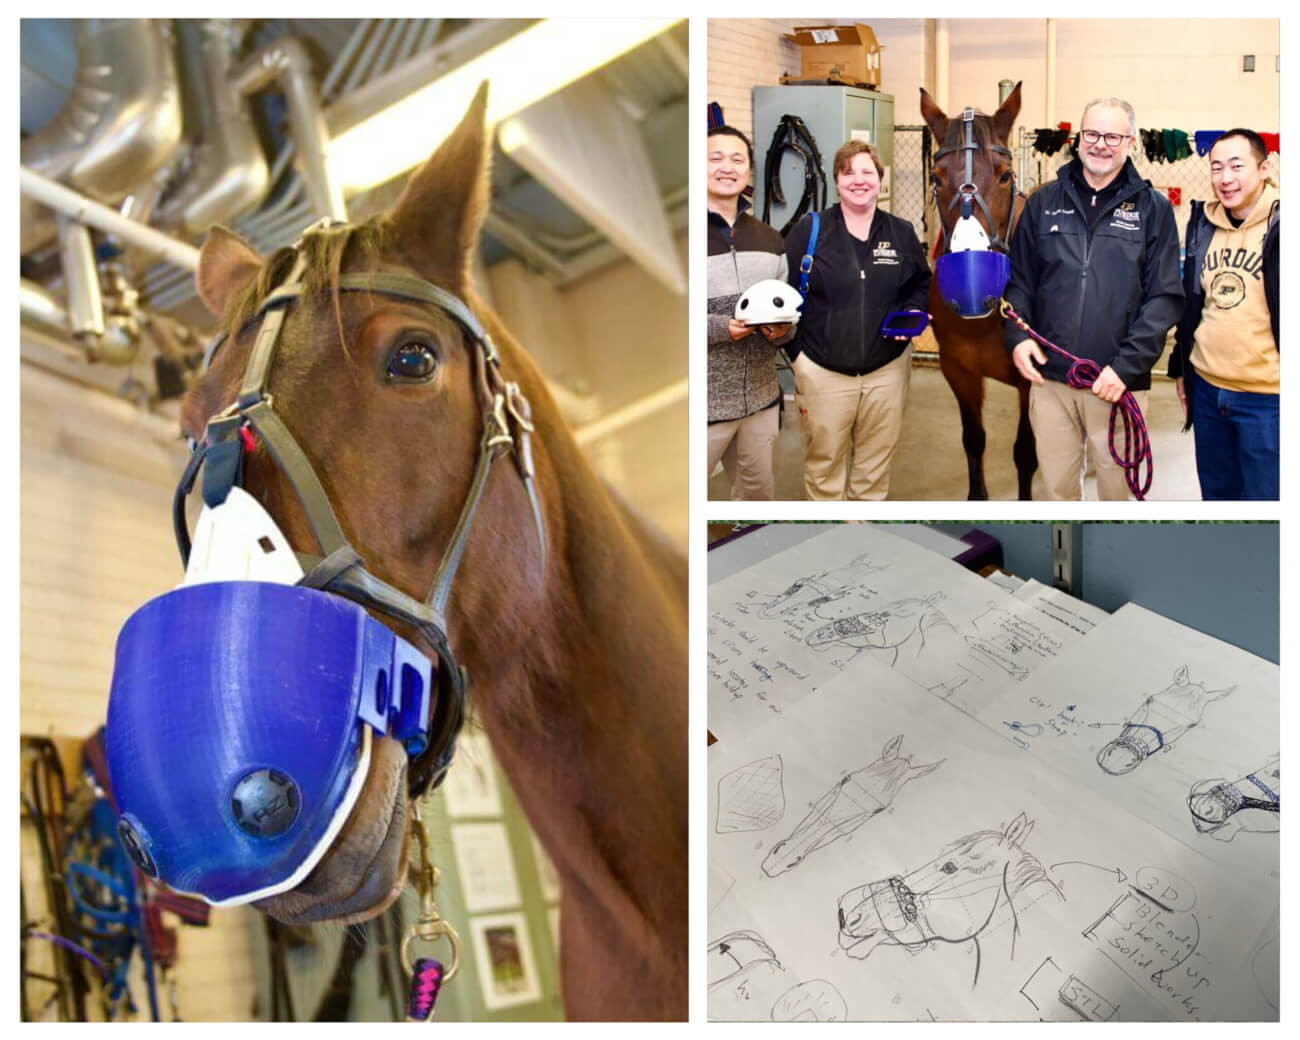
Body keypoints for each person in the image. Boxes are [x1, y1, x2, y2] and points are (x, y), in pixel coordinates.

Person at [1005, 97, 1184, 500]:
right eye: (1091, 134)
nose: (1100, 144)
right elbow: (1019, 283)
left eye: (1112, 136)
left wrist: (1124, 368)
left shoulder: (1153, 210)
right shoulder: (1042, 203)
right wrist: (1017, 339)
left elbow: (1165, 298)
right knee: (1056, 491)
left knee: (1117, 494)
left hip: (1117, 384)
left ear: (1131, 142)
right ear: (1078, 138)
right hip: (1051, 382)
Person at [782, 140, 930, 500]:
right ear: (836, 180)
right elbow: (782, 293)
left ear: (881, 180)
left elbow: (920, 283)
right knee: (824, 464)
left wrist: (913, 310)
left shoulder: (900, 232)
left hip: (887, 372)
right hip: (823, 372)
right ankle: (829, 536)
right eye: (849, 173)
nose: (859, 181)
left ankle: (863, 538)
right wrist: (798, 354)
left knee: (874, 466)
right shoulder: (810, 231)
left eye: (868, 172)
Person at [1169, 128, 1279, 500]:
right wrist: (1181, 366)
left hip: (1267, 398)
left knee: (1267, 503)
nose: (1225, 178)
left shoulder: (1282, 225)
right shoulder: (1203, 224)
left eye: (1237, 166)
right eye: (1217, 168)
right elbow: (1193, 305)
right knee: (1217, 498)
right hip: (1208, 389)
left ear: (1264, 168)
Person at [707, 125, 792, 500]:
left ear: (749, 171)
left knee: (757, 498)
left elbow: (788, 309)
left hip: (760, 401)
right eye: (715, 158)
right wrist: (719, 328)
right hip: (704, 406)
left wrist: (781, 332)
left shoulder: (770, 239)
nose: (727, 167)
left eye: (737, 159)